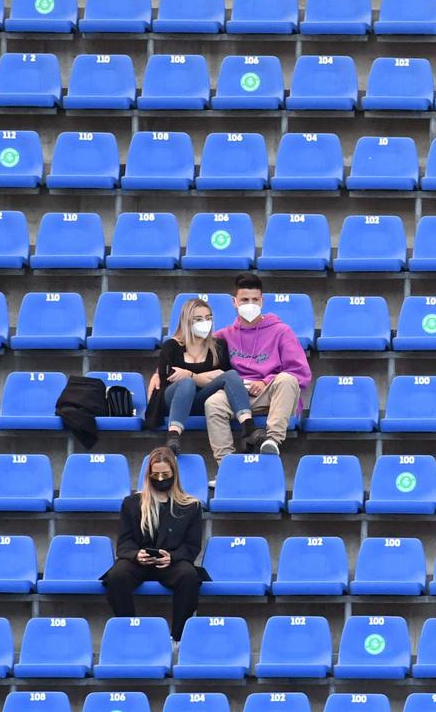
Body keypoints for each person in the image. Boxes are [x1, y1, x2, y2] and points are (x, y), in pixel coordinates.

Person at [102, 447, 206, 642]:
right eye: (155, 475)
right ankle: (129, 632)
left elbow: (192, 546)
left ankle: (177, 638)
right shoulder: (132, 503)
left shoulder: (191, 505)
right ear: (148, 475)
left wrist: (172, 557)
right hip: (138, 562)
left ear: (174, 474)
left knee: (188, 576)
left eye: (165, 475)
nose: (160, 479)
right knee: (116, 577)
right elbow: (124, 542)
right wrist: (136, 555)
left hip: (172, 562)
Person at [206, 273, 310, 458]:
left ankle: (272, 441)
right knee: (213, 403)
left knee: (287, 380)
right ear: (234, 302)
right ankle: (226, 465)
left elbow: (300, 373)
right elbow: (190, 353)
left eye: (255, 299)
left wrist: (266, 381)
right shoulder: (224, 335)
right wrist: (160, 372)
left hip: (271, 393)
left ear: (262, 301)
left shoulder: (281, 331)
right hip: (238, 394)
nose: (250, 304)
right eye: (244, 299)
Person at [147, 296, 252, 456]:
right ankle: (173, 437)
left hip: (202, 399)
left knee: (230, 375)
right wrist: (205, 376)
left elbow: (223, 377)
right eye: (198, 319)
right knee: (186, 384)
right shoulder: (171, 346)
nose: (205, 322)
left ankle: (248, 428)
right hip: (174, 399)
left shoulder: (218, 346)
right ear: (187, 321)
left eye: (208, 318)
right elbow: (167, 379)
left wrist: (190, 374)